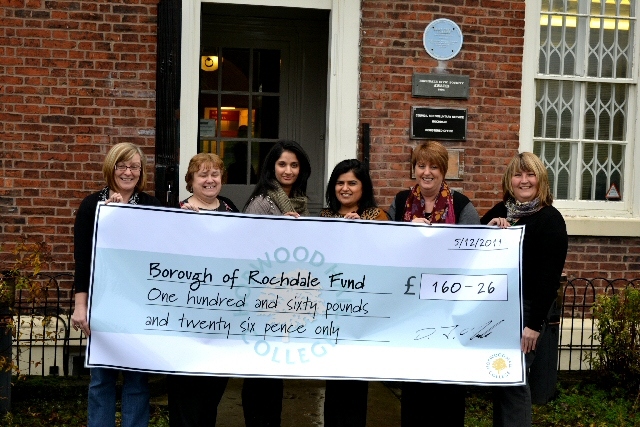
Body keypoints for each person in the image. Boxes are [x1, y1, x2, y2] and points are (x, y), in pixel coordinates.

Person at [389, 140, 480, 427]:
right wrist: (406, 231)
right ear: (414, 168)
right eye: (421, 165)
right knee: (414, 383)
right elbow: (384, 247)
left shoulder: (462, 205)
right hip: (410, 307)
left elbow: (473, 253)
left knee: (447, 382)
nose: (426, 172)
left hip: (448, 309)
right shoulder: (400, 201)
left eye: (434, 167)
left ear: (444, 171)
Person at [71, 142, 162, 427]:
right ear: (111, 167)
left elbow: (162, 249)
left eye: (134, 166)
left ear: (141, 172)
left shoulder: (152, 206)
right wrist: (80, 306)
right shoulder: (91, 205)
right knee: (102, 380)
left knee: (137, 379)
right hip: (103, 303)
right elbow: (82, 259)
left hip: (139, 303)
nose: (128, 172)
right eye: (122, 165)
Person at [481, 152, 568, 427]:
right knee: (500, 376)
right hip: (498, 308)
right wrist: (488, 228)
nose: (524, 180)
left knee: (513, 378)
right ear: (510, 180)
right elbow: (471, 247)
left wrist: (534, 325)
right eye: (518, 175)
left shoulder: (550, 220)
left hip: (527, 309)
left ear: (540, 179)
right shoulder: (499, 211)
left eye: (530, 174)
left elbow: (549, 279)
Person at [241, 140, 311, 427]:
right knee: (257, 370)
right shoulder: (261, 203)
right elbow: (247, 250)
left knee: (275, 367)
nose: (288, 170)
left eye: (294, 165)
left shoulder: (299, 202)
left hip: (286, 298)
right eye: (282, 164)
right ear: (272, 167)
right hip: (261, 297)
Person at [167, 152, 238, 427]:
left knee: (212, 397)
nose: (210, 180)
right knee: (185, 396)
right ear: (191, 180)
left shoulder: (231, 208)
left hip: (222, 320)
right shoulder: (177, 211)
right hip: (186, 321)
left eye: (215, 174)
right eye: (203, 175)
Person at [320, 159, 388, 427]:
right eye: (339, 182)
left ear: (364, 187)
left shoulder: (379, 217)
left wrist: (361, 231)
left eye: (352, 183)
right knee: (333, 382)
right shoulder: (324, 217)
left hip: (362, 311)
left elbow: (387, 258)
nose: (345, 188)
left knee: (355, 384)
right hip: (331, 311)